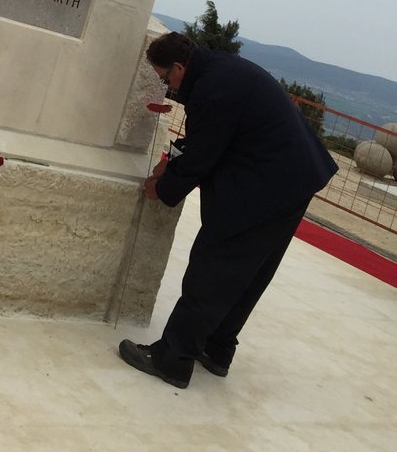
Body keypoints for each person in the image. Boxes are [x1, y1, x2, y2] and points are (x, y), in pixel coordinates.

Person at [118, 31, 338, 389]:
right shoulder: (219, 72)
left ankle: (172, 358)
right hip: (295, 178)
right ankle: (217, 348)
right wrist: (168, 163)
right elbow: (208, 136)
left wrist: (164, 187)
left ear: (178, 66)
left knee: (214, 264)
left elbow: (204, 155)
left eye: (165, 78)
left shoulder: (212, 88)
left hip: (268, 184)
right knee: (252, 272)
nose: (167, 87)